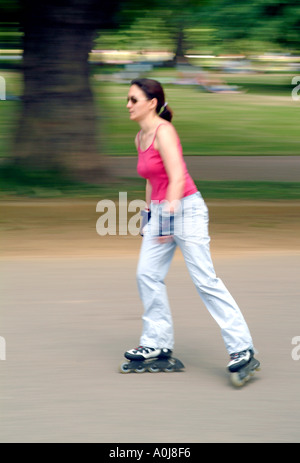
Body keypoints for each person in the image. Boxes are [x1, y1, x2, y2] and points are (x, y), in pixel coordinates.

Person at [124, 78, 257, 374]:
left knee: (205, 280)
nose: (128, 105)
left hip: (186, 209)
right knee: (146, 274)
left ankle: (242, 347)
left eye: (133, 99)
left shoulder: (164, 131)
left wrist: (169, 218)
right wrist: (148, 219)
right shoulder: (140, 138)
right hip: (161, 210)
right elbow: (151, 180)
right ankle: (156, 342)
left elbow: (177, 177)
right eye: (128, 99)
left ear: (152, 103)